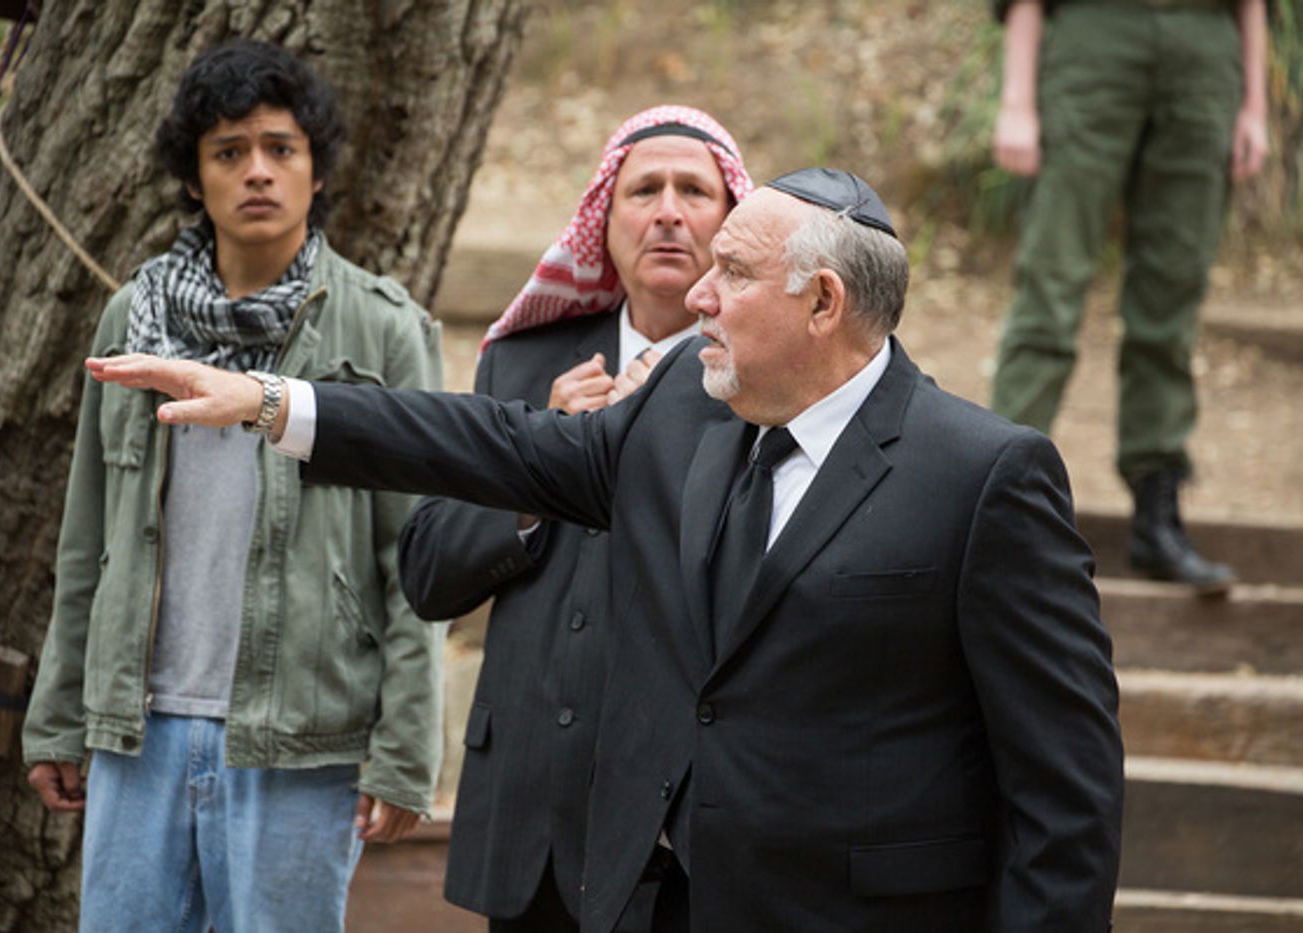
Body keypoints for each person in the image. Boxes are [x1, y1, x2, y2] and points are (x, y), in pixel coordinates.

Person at [87, 167, 1124, 933]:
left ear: (822, 304)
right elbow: (497, 443)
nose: (699, 299)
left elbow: (1064, 791)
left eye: (731, 273)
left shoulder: (986, 475)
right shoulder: (681, 406)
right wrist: (278, 402)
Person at [21, 40, 445, 932]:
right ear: (193, 176)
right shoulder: (131, 317)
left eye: (281, 148)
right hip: (138, 732)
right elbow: (88, 535)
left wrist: (405, 746)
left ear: (316, 169)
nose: (258, 171)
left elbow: (416, 554)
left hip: (299, 740)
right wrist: (61, 717)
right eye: (229, 151)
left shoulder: (382, 329)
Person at [397, 106, 752, 931]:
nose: (668, 209)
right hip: (526, 821)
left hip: (679, 832)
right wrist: (537, 468)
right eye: (644, 189)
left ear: (733, 222)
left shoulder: (757, 377)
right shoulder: (523, 362)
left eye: (695, 190)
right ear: (604, 220)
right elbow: (425, 572)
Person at [988, 0, 1269, 592]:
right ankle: (992, 506)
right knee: (1051, 284)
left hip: (1205, 50)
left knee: (1173, 295)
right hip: (1094, 39)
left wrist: (1255, 106)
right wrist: (1016, 101)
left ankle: (1156, 515)